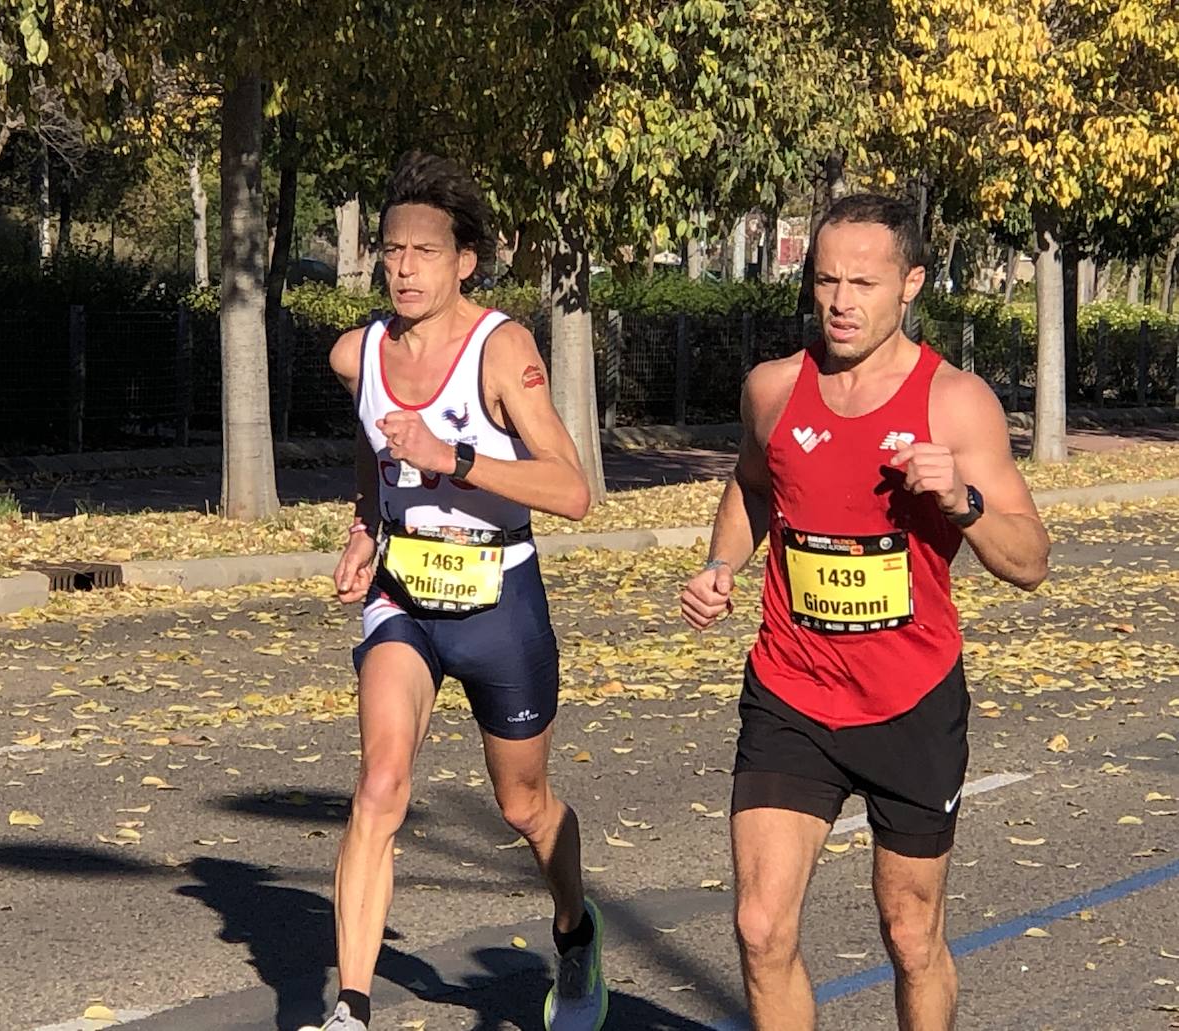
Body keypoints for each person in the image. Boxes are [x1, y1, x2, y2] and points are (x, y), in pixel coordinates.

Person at [680, 193, 1050, 1031]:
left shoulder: (954, 402)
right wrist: (720, 563)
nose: (842, 301)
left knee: (911, 934)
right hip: (792, 689)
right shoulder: (773, 389)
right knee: (759, 924)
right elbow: (752, 485)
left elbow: (1030, 559)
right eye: (826, 280)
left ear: (911, 284)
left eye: (865, 283)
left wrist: (962, 497)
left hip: (910, 701)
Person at [304, 152, 607, 1031]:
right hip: (405, 597)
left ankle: (575, 928)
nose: (402, 268)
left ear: (464, 260)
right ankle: (350, 1010)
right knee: (380, 786)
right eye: (391, 251)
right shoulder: (356, 353)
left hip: (499, 602)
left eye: (423, 252)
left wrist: (455, 459)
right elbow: (372, 450)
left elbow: (573, 489)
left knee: (523, 805)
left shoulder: (501, 350)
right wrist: (367, 526)